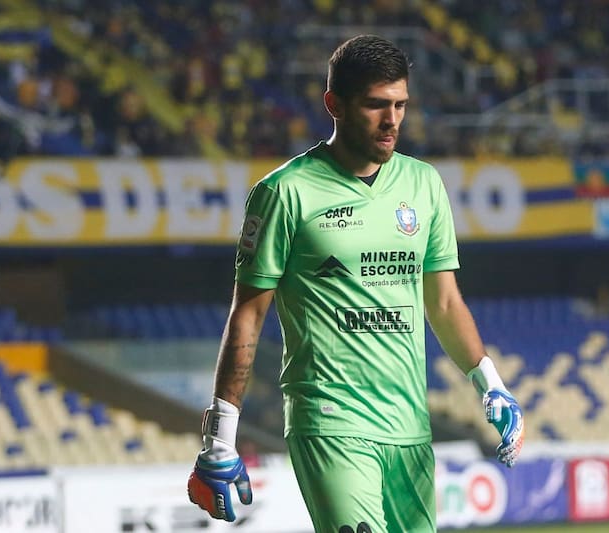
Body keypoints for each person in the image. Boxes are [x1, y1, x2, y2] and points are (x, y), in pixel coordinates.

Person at [186, 34, 524, 533]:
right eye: (376, 106)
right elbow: (248, 314)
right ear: (334, 105)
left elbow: (446, 303)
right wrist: (220, 435)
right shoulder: (284, 193)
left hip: (409, 427)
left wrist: (491, 383)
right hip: (331, 421)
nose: (392, 121)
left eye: (401, 105)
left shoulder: (423, 184)